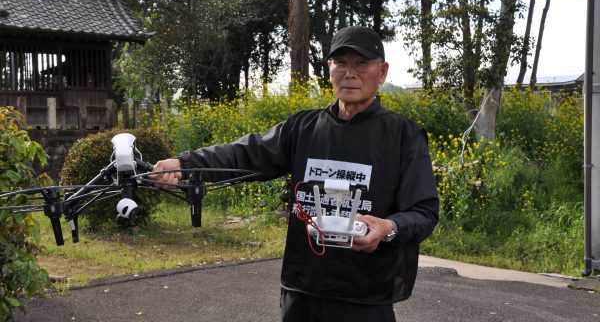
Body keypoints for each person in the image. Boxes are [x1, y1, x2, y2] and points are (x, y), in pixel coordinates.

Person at [151, 25, 439, 322]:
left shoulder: (403, 135)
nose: (349, 73)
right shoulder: (303, 128)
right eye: (340, 63)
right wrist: (185, 164)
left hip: (365, 297)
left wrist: (388, 227)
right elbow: (246, 154)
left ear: (382, 72)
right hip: (302, 290)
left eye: (362, 63)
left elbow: (424, 212)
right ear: (329, 68)